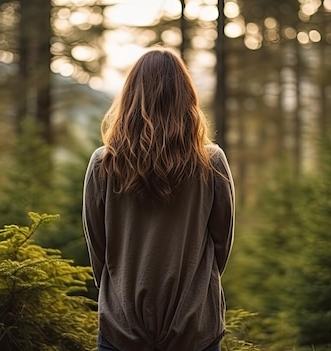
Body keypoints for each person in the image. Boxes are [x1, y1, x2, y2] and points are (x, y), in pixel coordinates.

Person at [82, 48, 235, 351]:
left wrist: (117, 292)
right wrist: (197, 288)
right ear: (186, 97)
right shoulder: (211, 161)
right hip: (193, 325)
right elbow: (222, 243)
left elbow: (97, 247)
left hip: (121, 324)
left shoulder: (103, 163)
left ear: (129, 98)